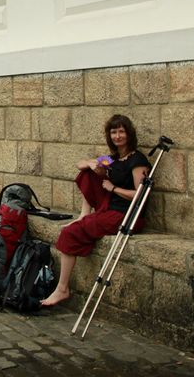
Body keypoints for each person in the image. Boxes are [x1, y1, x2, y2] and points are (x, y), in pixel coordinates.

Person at [41, 114, 150, 307]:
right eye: (114, 132)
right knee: (87, 173)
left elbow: (140, 195)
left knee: (69, 232)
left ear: (129, 134)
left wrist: (113, 188)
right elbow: (80, 164)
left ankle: (62, 289)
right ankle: (84, 215)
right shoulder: (114, 158)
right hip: (109, 208)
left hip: (125, 215)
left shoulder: (137, 161)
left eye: (121, 131)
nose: (118, 136)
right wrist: (94, 164)